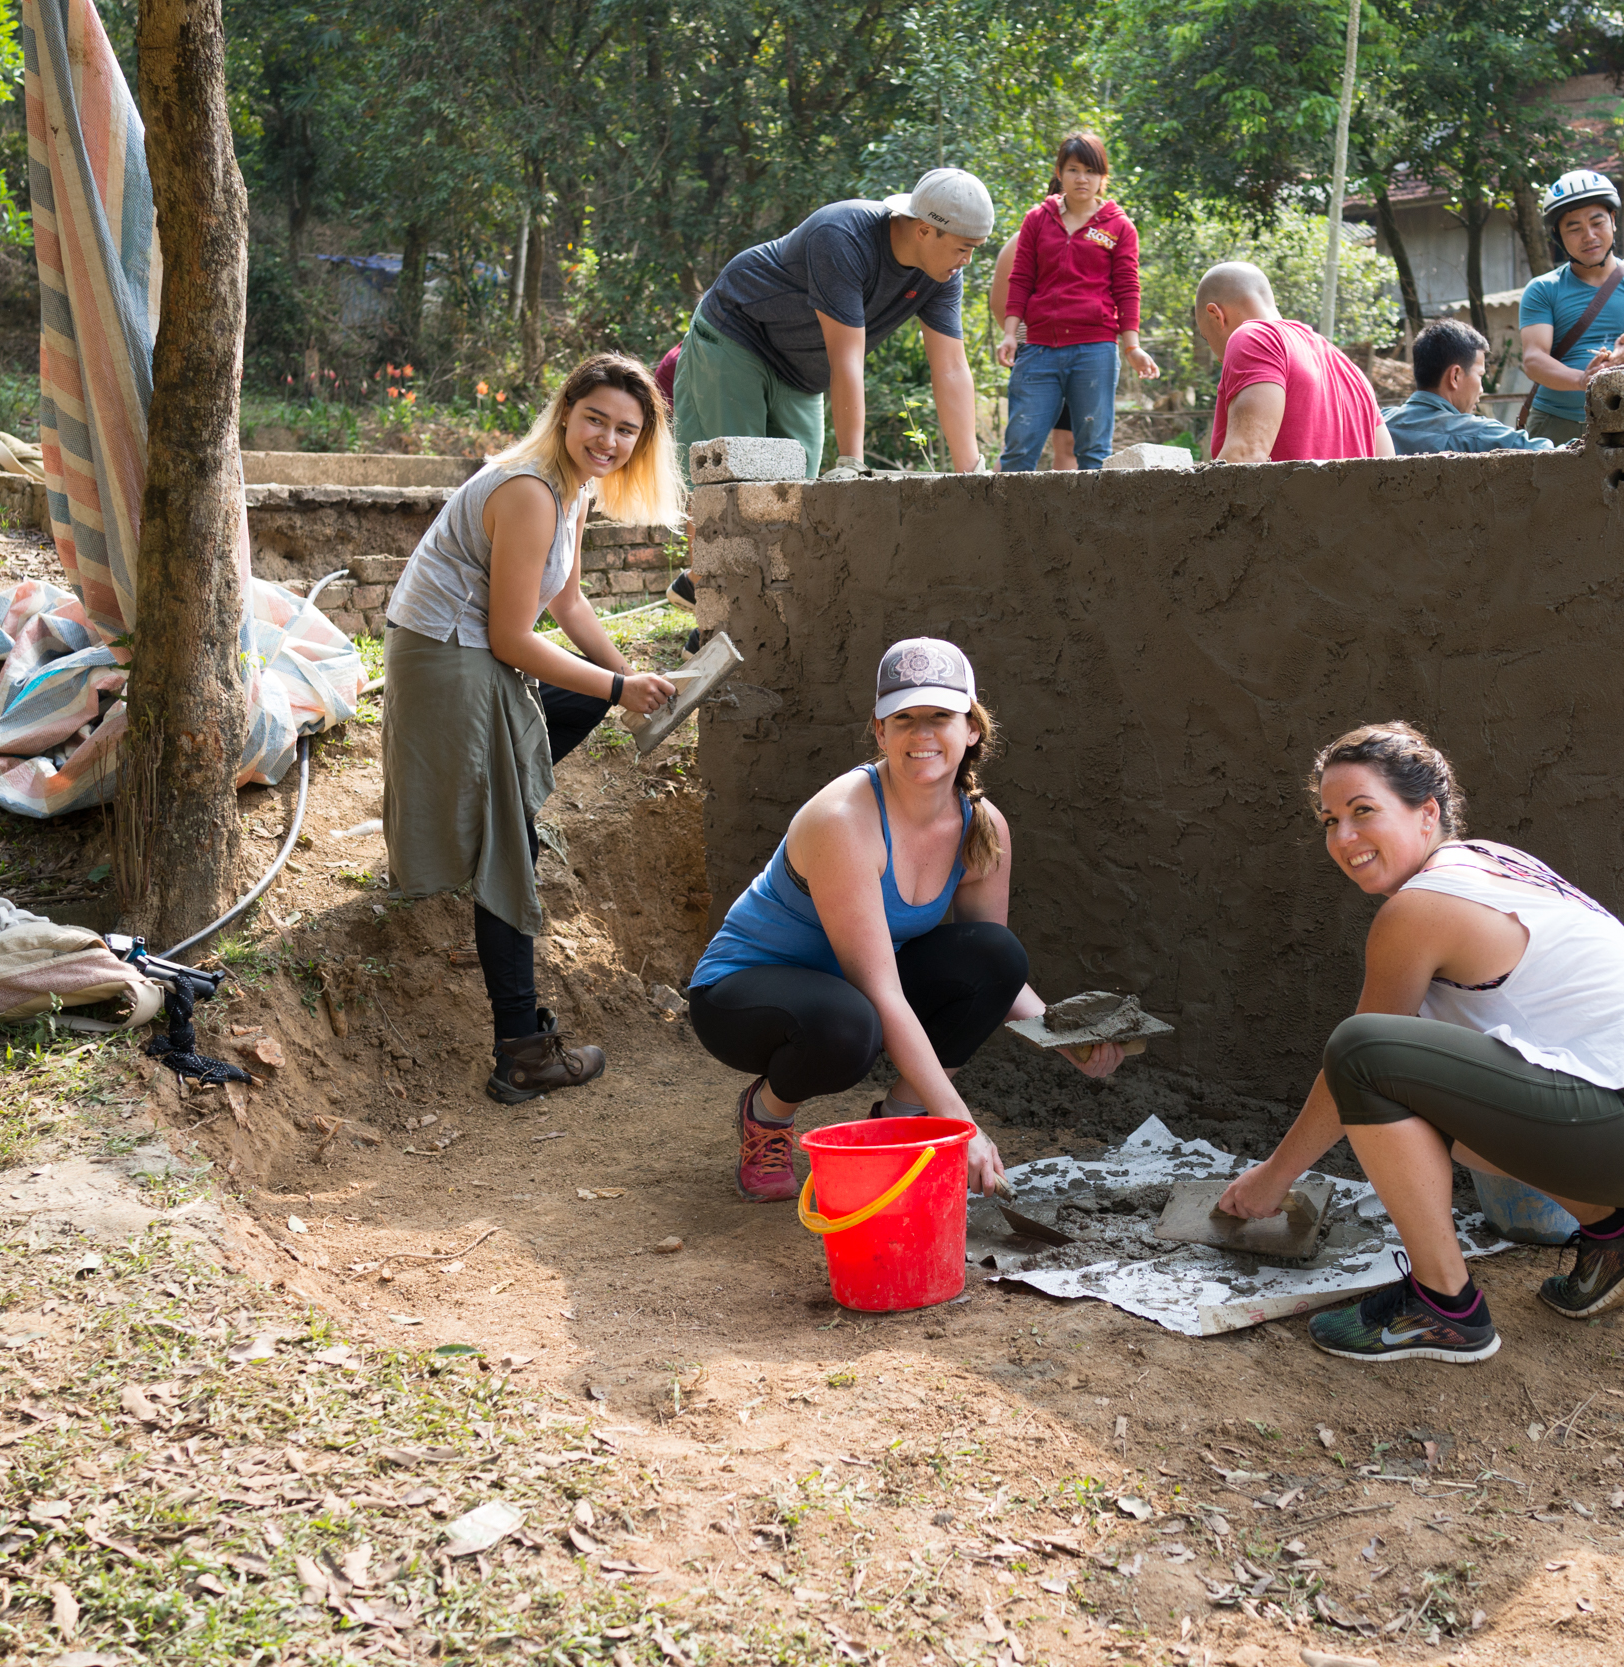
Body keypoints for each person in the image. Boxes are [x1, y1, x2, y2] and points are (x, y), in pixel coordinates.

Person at [1216, 723, 1624, 1364]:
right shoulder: (1491, 861)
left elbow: (1352, 1068)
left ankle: (1445, 1307)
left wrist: (1273, 1179)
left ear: (1427, 812)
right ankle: (1620, 1236)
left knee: (1361, 1053)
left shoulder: (1417, 910)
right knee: (1416, 1092)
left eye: (1363, 812)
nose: (1344, 838)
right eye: (1330, 821)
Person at [686, 638, 1127, 1201]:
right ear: (880, 731)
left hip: (855, 989)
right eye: (904, 719)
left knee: (996, 952)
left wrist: (1068, 1039)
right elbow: (880, 990)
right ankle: (767, 1115)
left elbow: (995, 971)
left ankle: (900, 1122)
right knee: (849, 1026)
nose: (922, 735)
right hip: (743, 996)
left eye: (940, 716)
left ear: (971, 728)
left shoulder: (981, 827)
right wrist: (961, 1127)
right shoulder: (843, 819)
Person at [383, 353, 685, 1105]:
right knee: (505, 844)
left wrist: (636, 685)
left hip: (472, 650)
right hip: (446, 658)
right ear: (564, 411)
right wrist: (619, 686)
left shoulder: (572, 488)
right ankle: (521, 1050)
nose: (609, 441)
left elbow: (568, 604)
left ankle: (504, 796)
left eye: (626, 430)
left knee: (580, 711)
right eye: (596, 420)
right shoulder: (528, 490)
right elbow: (514, 639)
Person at [673, 168, 991, 481]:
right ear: (923, 230)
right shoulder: (844, 236)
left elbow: (951, 367)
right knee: (725, 486)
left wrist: (973, 474)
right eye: (963, 248)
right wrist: (852, 463)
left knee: (792, 501)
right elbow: (847, 358)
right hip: (737, 336)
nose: (967, 261)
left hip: (801, 375)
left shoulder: (943, 275)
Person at [995, 131, 1159, 471]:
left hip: (1094, 350)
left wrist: (1133, 347)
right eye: (1072, 169)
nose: (1081, 178)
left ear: (1102, 176)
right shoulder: (1037, 220)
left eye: (1090, 170)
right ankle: (1005, 523)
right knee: (1019, 447)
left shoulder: (1120, 227)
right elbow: (1021, 278)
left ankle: (1088, 525)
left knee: (1093, 451)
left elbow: (1127, 289)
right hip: (1037, 349)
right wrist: (1011, 334)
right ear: (1059, 173)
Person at [1517, 170, 1624, 445]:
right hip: (1555, 422)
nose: (1589, 235)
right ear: (1558, 234)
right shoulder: (1543, 289)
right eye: (1574, 228)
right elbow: (1534, 360)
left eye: (1597, 222)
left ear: (1613, 221)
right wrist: (1584, 380)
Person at [1193, 262, 1390, 465]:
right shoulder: (1352, 372)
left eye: (1207, 339)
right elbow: (1389, 471)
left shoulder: (1254, 338)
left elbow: (1246, 456)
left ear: (1216, 315)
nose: (1220, 360)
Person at [1382, 319, 1554, 455]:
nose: (1481, 390)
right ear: (1455, 376)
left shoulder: (1377, 423)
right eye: (1479, 375)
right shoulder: (1479, 435)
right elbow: (1556, 456)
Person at [988, 227, 1072, 470]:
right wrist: (1021, 339)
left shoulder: (1099, 234)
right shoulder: (1024, 238)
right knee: (1020, 443)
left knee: (1071, 443)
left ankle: (1070, 508)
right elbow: (998, 302)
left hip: (1084, 352)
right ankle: (993, 505)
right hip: (1036, 352)